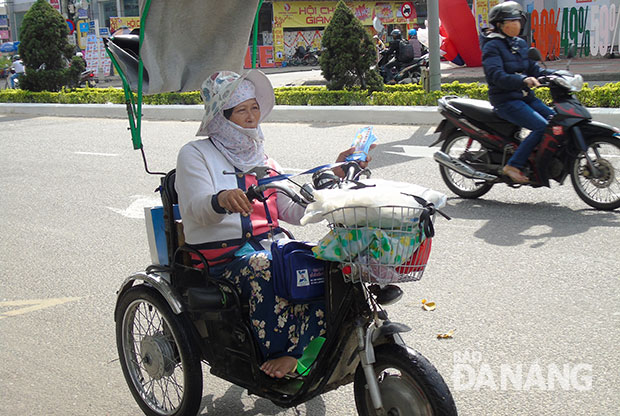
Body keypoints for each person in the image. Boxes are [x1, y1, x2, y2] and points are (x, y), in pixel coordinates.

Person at [175, 70, 372, 379]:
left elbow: (292, 210)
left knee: (326, 260)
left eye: (254, 107)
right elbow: (196, 208)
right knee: (264, 267)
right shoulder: (195, 154)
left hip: (271, 248)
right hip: (222, 258)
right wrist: (221, 199)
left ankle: (318, 342)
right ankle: (281, 353)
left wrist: (333, 174)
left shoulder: (263, 159)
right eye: (241, 110)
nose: (252, 116)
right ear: (222, 117)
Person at [481, 1, 555, 183]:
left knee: (556, 121)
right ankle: (513, 165)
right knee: (541, 127)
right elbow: (496, 75)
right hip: (505, 101)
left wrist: (559, 75)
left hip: (526, 98)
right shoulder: (492, 46)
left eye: (517, 20)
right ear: (499, 24)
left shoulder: (520, 44)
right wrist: (522, 80)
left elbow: (534, 70)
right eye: (510, 20)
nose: (516, 24)